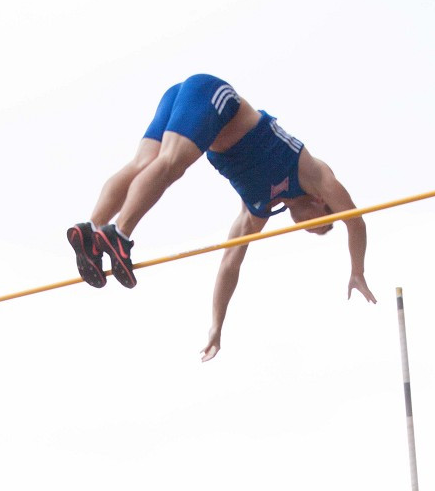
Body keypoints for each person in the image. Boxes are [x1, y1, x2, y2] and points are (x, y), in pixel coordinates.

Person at [67, 73, 375, 355]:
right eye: (322, 225)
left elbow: (230, 264)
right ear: (323, 203)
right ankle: (119, 234)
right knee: (172, 162)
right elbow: (355, 221)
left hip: (193, 107)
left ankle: (92, 234)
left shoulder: (257, 211)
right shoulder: (313, 174)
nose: (313, 229)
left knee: (145, 164)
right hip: (214, 98)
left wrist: (216, 327)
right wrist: (357, 270)